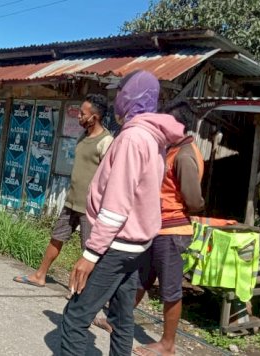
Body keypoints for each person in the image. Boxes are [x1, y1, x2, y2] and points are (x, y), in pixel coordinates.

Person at [59, 70, 186, 356]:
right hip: (136, 245)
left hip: (116, 245)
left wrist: (90, 255)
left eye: (120, 94)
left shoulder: (133, 138)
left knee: (75, 318)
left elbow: (117, 203)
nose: (116, 100)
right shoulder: (154, 137)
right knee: (121, 317)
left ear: (130, 97)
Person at [94, 100, 205, 356]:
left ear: (178, 125)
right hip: (155, 227)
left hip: (173, 231)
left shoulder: (186, 155)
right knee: (140, 279)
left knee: (170, 288)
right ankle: (116, 318)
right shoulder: (169, 149)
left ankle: (168, 344)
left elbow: (193, 199)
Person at [13, 94, 114, 288]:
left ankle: (83, 292)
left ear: (95, 117)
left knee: (89, 250)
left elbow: (109, 177)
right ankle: (40, 275)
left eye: (83, 114)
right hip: (71, 201)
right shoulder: (83, 137)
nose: (79, 117)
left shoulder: (106, 142)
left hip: (90, 207)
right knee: (57, 237)